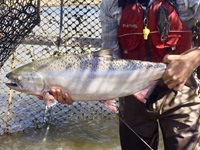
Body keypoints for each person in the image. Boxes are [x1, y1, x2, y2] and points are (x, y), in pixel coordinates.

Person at [39, 0, 200, 149]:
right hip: (131, 96)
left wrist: (193, 58)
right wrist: (75, 89)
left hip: (181, 93)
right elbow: (110, 60)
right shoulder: (111, 5)